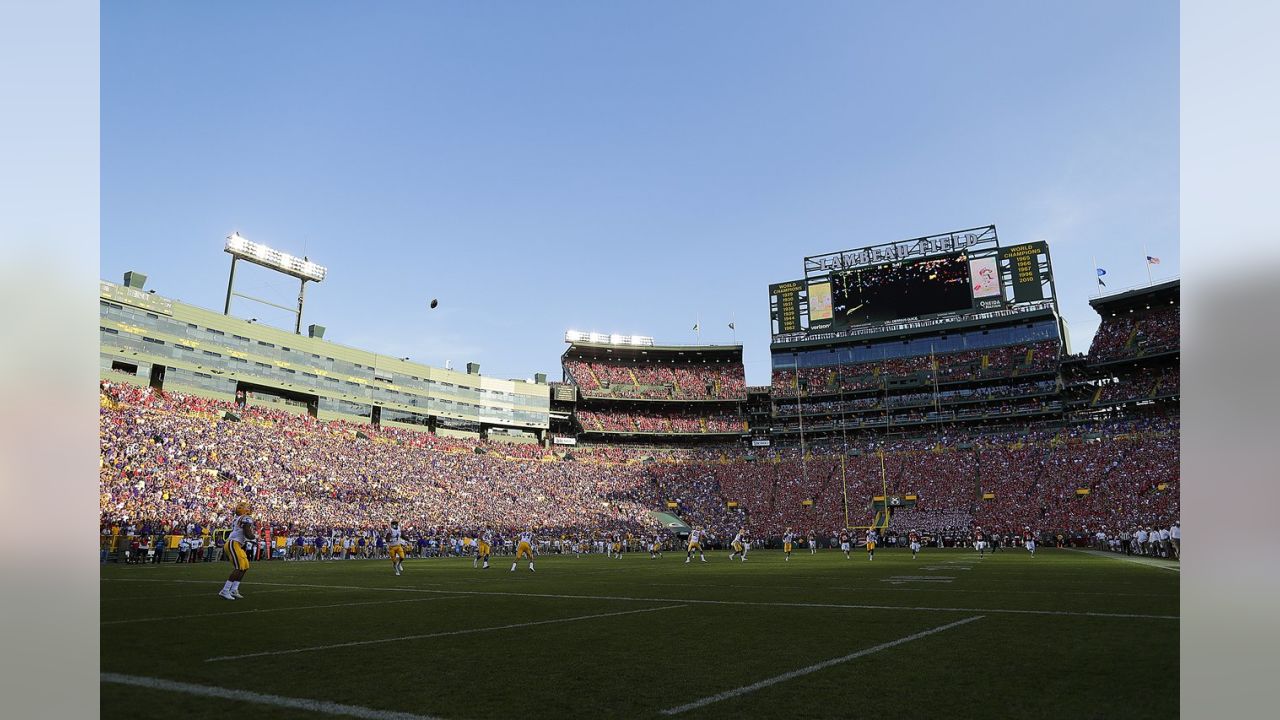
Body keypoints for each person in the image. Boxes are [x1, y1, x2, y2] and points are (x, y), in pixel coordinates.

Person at [219, 502, 254, 601]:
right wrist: (253, 537)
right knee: (239, 568)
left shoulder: (238, 518)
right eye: (247, 507)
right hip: (233, 543)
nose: (249, 508)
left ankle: (234, 589)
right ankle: (225, 590)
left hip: (236, 544)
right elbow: (247, 533)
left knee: (244, 567)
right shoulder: (246, 518)